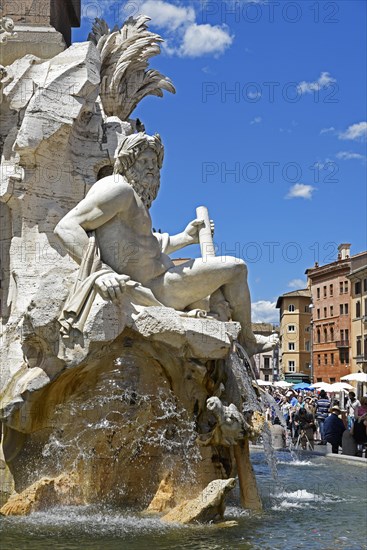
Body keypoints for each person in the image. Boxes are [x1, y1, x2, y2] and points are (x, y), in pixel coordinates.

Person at [55, 132, 276, 356]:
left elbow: (146, 246)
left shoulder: (134, 199)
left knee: (220, 296)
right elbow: (66, 227)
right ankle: (248, 341)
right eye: (144, 161)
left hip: (162, 280)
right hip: (157, 288)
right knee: (236, 268)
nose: (151, 168)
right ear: (128, 163)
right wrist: (101, 272)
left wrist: (186, 237)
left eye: (155, 162)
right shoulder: (117, 189)